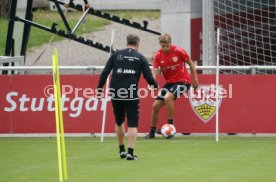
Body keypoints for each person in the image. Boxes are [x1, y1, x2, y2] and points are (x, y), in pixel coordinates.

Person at [96, 34, 158, 160]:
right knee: (132, 123)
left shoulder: (115, 55)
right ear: (138, 44)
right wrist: (155, 86)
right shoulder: (140, 57)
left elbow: (105, 73)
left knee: (119, 121)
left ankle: (121, 151)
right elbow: (148, 77)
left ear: (127, 42)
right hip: (130, 93)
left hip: (116, 92)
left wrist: (99, 89)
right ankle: (130, 152)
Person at [145, 34, 199, 139]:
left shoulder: (179, 51)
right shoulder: (158, 55)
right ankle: (152, 132)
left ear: (170, 44)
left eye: (167, 46)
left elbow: (191, 63)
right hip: (170, 83)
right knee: (155, 106)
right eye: (163, 46)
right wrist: (150, 83)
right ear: (160, 45)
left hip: (183, 81)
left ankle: (170, 125)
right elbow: (155, 70)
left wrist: (195, 79)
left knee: (167, 98)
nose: (165, 48)